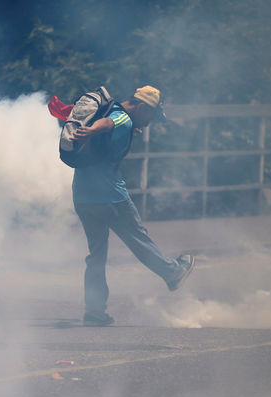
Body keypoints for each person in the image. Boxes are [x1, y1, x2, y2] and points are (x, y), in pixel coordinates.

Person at [71, 85, 194, 326]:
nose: (150, 123)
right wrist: (91, 131)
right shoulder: (121, 119)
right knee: (138, 240)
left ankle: (94, 311)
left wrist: (92, 131)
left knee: (96, 255)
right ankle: (172, 273)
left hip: (83, 197)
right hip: (111, 198)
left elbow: (110, 126)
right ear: (140, 107)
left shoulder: (112, 111)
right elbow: (107, 125)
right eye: (150, 116)